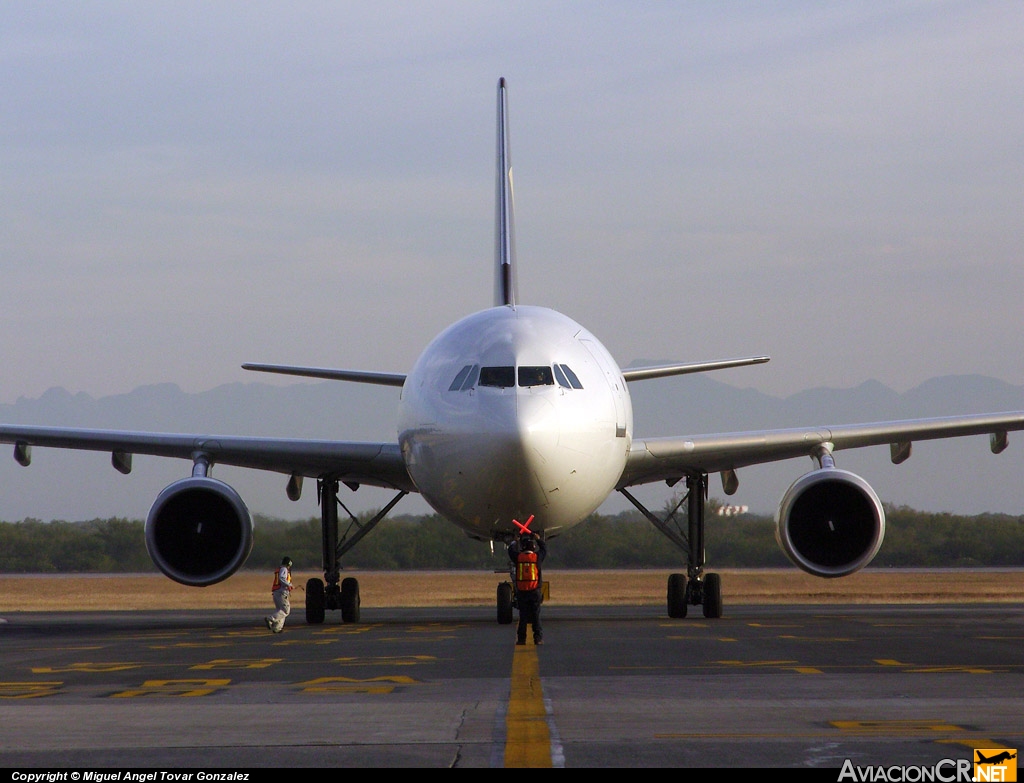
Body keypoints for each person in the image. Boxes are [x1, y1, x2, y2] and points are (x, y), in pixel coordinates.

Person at [508, 532, 547, 645]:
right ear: (533, 548)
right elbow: (544, 549)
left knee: (523, 617)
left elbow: (511, 551)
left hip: (522, 592)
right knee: (536, 617)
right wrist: (538, 539)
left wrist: (515, 540)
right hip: (534, 591)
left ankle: (521, 639)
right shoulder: (536, 558)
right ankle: (538, 638)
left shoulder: (519, 558)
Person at [265, 556, 294, 633]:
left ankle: (277, 628)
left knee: (280, 611)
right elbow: (282, 578)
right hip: (281, 592)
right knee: (285, 611)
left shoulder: (279, 569)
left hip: (277, 592)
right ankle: (271, 618)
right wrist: (289, 585)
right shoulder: (284, 569)